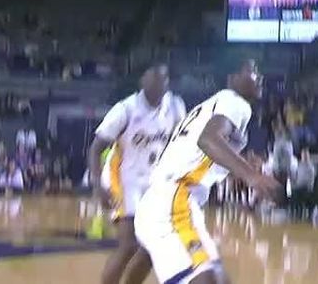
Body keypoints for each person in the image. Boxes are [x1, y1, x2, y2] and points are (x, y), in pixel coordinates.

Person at [134, 60, 279, 284]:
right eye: (252, 71)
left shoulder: (210, 106)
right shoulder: (236, 102)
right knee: (208, 278)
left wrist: (240, 164)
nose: (260, 77)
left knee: (209, 277)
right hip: (175, 199)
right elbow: (208, 140)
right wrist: (252, 176)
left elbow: (203, 153)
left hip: (159, 201)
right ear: (232, 78)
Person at [89, 64, 186, 284]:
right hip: (123, 179)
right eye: (153, 79)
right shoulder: (126, 109)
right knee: (129, 244)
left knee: (154, 247)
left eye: (163, 80)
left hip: (153, 182)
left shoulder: (175, 106)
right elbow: (95, 149)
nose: (159, 85)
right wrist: (97, 186)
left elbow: (180, 142)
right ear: (142, 81)